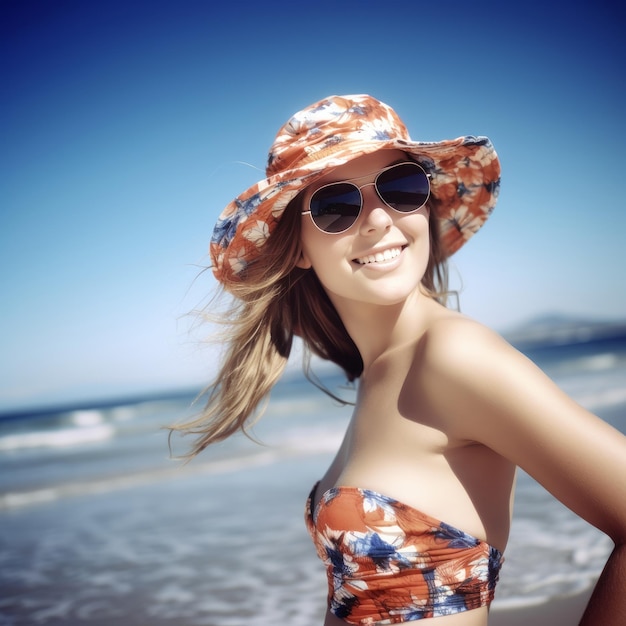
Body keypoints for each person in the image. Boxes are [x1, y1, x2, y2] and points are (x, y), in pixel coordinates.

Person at [172, 94, 626, 625]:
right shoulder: (381, 371)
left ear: (427, 204)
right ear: (297, 246)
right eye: (336, 206)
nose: (380, 220)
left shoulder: (453, 356)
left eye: (401, 187)